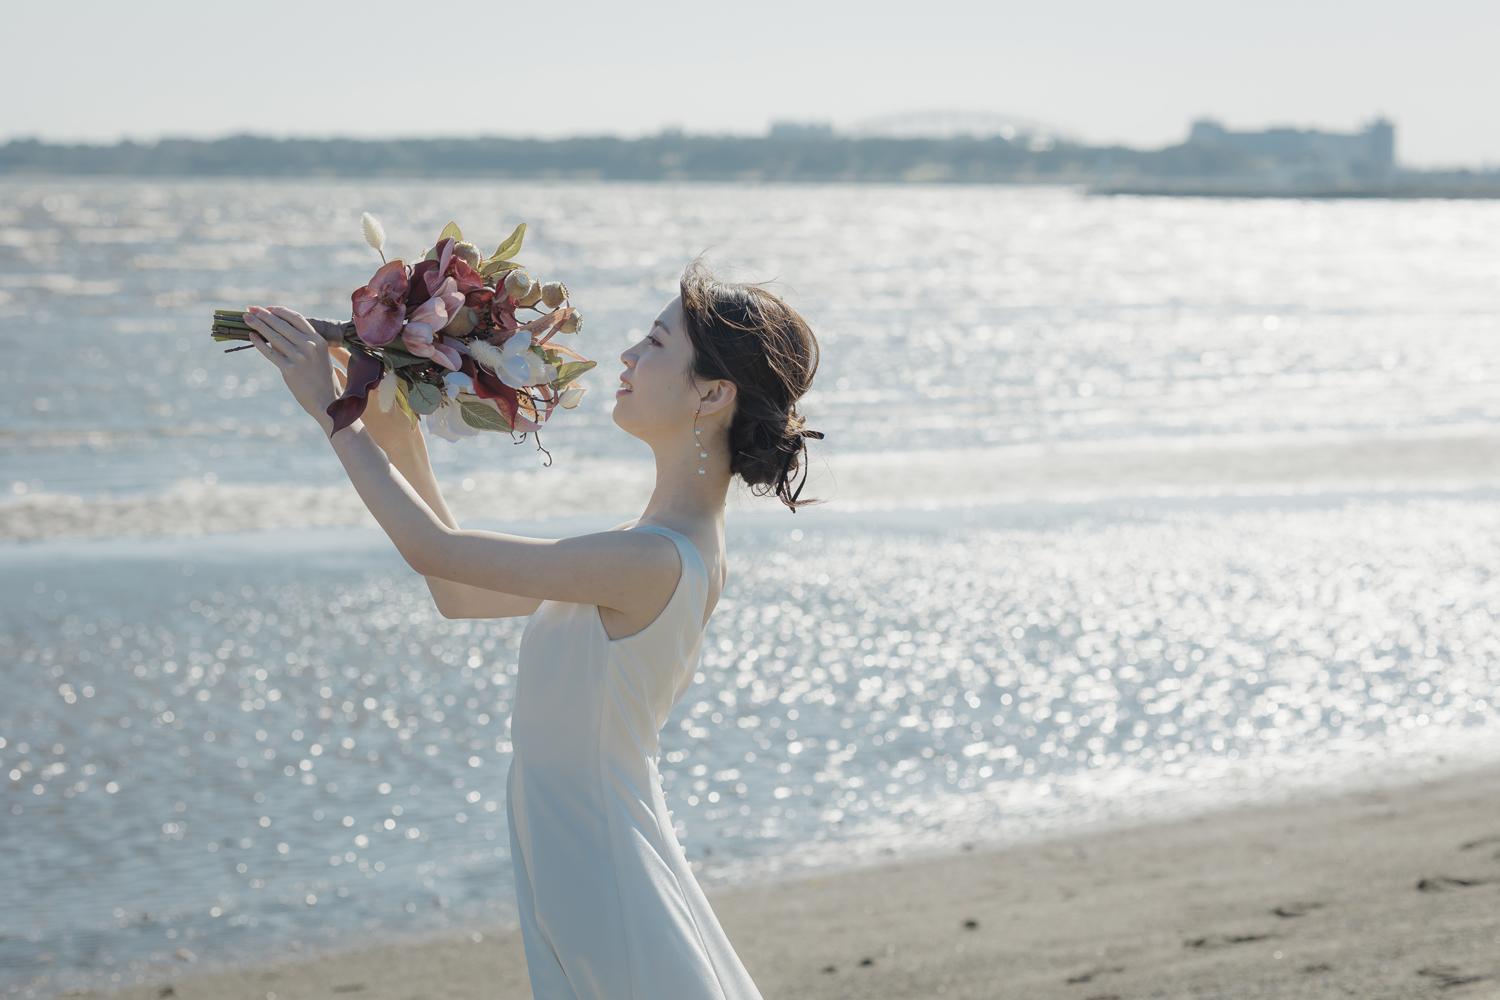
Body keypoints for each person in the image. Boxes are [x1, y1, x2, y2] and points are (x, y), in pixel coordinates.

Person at [242, 261, 821, 1000]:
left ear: (712, 392)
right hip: (578, 854)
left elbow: (434, 552)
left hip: (601, 866)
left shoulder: (649, 559)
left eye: (652, 343)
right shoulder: (650, 545)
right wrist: (387, 414)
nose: (627, 357)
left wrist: (331, 408)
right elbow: (456, 589)